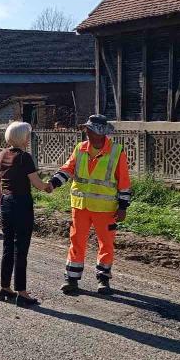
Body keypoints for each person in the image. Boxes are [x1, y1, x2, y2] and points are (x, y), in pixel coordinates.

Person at [48, 114, 132, 295]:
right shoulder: (80, 148)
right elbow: (67, 169)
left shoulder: (117, 152)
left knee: (106, 243)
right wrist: (53, 183)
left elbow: (124, 182)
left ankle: (103, 279)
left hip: (105, 208)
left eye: (90, 130)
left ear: (100, 133)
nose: (86, 132)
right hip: (80, 206)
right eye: (87, 129)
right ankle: (71, 279)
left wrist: (123, 207)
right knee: (76, 241)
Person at [0, 121, 53, 307]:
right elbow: (37, 183)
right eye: (28, 135)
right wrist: (48, 186)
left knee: (7, 247)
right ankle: (22, 293)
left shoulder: (1, 155)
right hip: (22, 204)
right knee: (21, 249)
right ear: (22, 137)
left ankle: (5, 288)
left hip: (6, 203)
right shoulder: (24, 157)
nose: (29, 139)